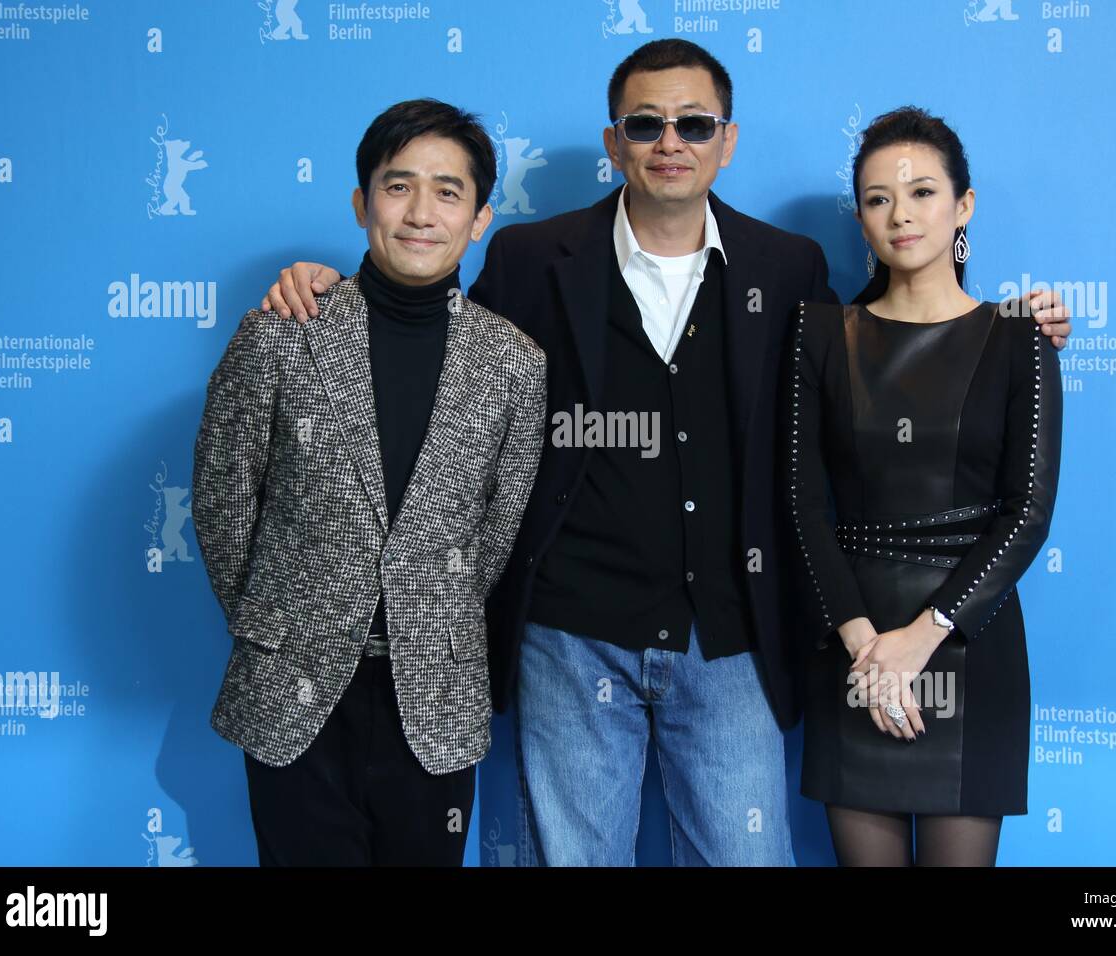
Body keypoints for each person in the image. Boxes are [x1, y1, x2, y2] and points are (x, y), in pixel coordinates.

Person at [258, 41, 1072, 866]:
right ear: (615, 144)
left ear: (728, 139)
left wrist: (998, 327)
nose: (670, 141)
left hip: (730, 635)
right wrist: (332, 290)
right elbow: (430, 341)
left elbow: (872, 342)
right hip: (569, 633)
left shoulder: (787, 267)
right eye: (645, 124)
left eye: (694, 122)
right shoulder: (532, 259)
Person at [192, 98, 546, 866]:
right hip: (294, 688)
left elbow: (495, 535)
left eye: (449, 192)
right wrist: (280, 620)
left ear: (480, 217)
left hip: (436, 697)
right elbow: (223, 505)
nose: (422, 213)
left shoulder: (515, 363)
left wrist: (430, 613)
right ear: (361, 203)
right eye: (398, 186)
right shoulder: (282, 332)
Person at [788, 106, 1061, 866]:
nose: (900, 214)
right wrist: (867, 650)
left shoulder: (1021, 337)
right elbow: (804, 505)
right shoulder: (819, 334)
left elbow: (1027, 511)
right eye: (878, 198)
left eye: (923, 193)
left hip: (971, 644)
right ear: (862, 217)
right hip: (855, 646)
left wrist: (924, 636)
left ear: (963, 206)